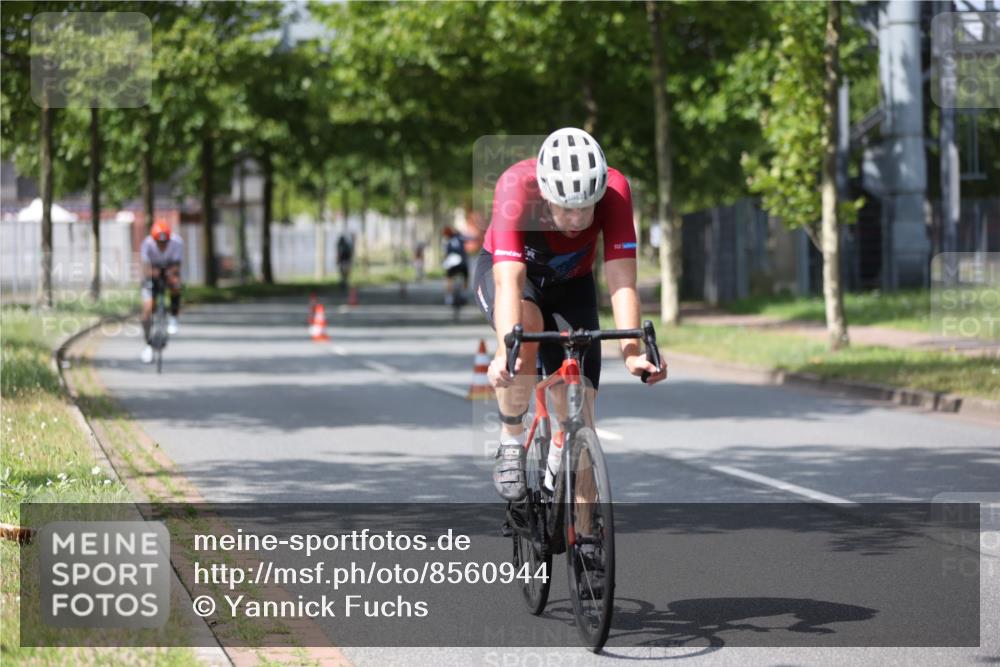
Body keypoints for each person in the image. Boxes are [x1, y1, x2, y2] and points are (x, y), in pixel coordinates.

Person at [473, 127, 667, 503]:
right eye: (566, 207)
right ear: (545, 194)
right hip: (515, 278)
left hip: (571, 285)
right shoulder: (516, 186)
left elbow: (622, 279)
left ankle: (587, 541)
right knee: (523, 332)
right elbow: (510, 281)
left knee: (582, 416)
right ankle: (511, 442)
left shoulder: (615, 192)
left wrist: (632, 352)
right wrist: (504, 351)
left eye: (586, 207)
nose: (578, 218)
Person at [140, 220, 184, 364]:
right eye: (159, 242)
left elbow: (177, 266)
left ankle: (174, 317)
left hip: (170, 269)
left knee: (176, 284)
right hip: (152, 272)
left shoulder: (177, 243)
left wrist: (170, 276)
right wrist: (153, 274)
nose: (162, 245)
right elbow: (145, 267)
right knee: (147, 309)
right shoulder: (147, 244)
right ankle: (147, 345)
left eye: (165, 242)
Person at [442, 227, 470, 305]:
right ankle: (464, 294)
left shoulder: (447, 241)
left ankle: (449, 297)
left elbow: (446, 254)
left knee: (449, 278)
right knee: (466, 277)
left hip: (452, 263)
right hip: (462, 262)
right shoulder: (460, 238)